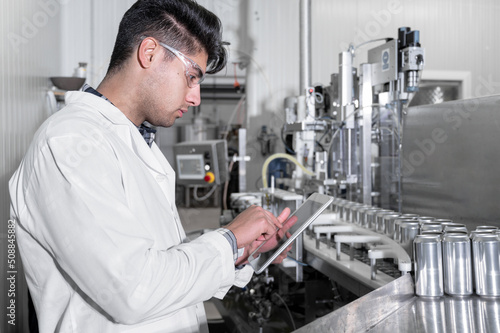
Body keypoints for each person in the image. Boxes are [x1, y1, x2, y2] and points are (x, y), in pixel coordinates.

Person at [8, 0, 296, 332]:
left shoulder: (132, 141)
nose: (195, 97)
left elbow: (158, 263)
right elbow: (132, 290)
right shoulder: (69, 142)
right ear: (149, 53)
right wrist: (228, 239)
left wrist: (241, 250)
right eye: (191, 77)